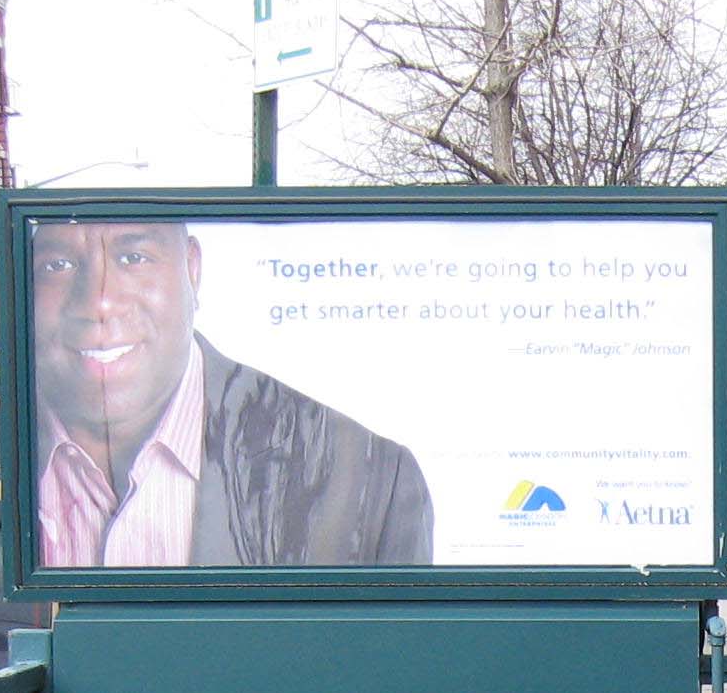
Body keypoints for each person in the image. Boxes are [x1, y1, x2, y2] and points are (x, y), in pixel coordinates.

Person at [31, 217, 434, 570]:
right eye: (58, 266)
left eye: (134, 258)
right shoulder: (1, 472)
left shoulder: (371, 479)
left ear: (192, 268)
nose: (99, 301)